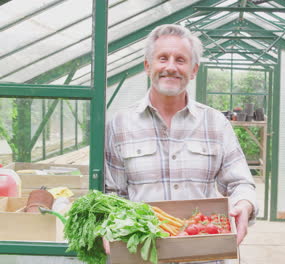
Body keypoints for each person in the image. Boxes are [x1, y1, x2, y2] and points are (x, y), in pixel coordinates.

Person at [104, 24, 257, 263]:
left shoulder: (215, 123)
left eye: (181, 60)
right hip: (142, 256)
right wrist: (109, 224)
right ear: (148, 66)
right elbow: (112, 193)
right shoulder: (120, 125)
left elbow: (240, 183)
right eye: (162, 58)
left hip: (203, 255)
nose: (171, 67)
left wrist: (244, 207)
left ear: (194, 70)